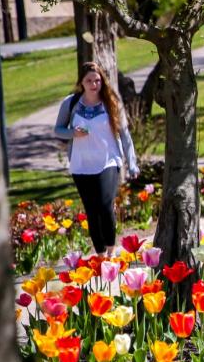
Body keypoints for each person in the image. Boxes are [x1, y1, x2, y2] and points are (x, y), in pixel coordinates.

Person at [53, 61, 140, 257]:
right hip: (81, 164)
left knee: (105, 205)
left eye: (97, 80)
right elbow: (58, 130)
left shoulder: (111, 102)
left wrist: (132, 163)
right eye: (89, 81)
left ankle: (111, 250)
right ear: (81, 83)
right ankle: (100, 255)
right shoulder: (71, 103)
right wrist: (73, 133)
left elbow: (125, 135)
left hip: (108, 161)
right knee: (92, 211)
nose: (94, 84)